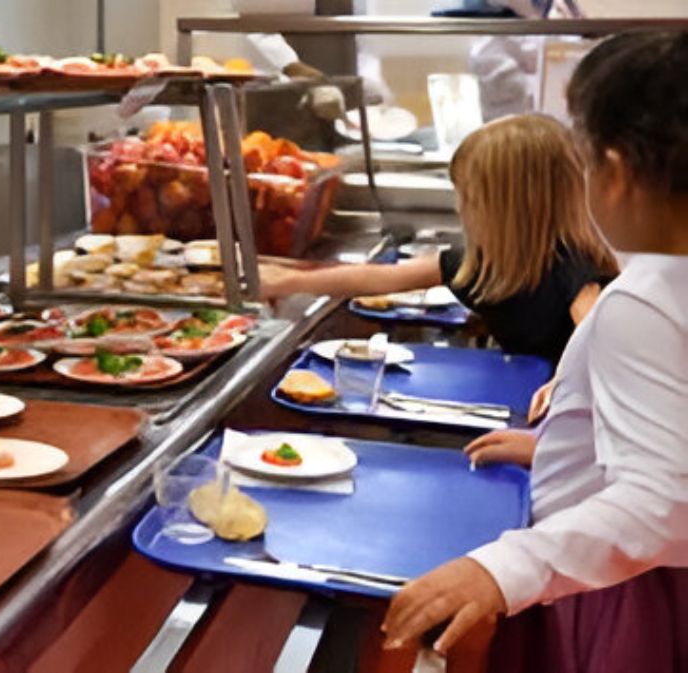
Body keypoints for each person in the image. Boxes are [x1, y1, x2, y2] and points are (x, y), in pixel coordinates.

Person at [381, 31, 688, 672]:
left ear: (616, 172)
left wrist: (503, 568)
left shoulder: (642, 301)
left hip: (618, 586)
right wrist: (559, 449)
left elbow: (668, 501)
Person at [260, 113, 618, 366]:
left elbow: (607, 360)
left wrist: (561, 392)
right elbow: (379, 277)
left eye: (470, 198)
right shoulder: (484, 264)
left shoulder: (576, 276)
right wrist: (291, 281)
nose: (461, 209)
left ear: (510, 210)